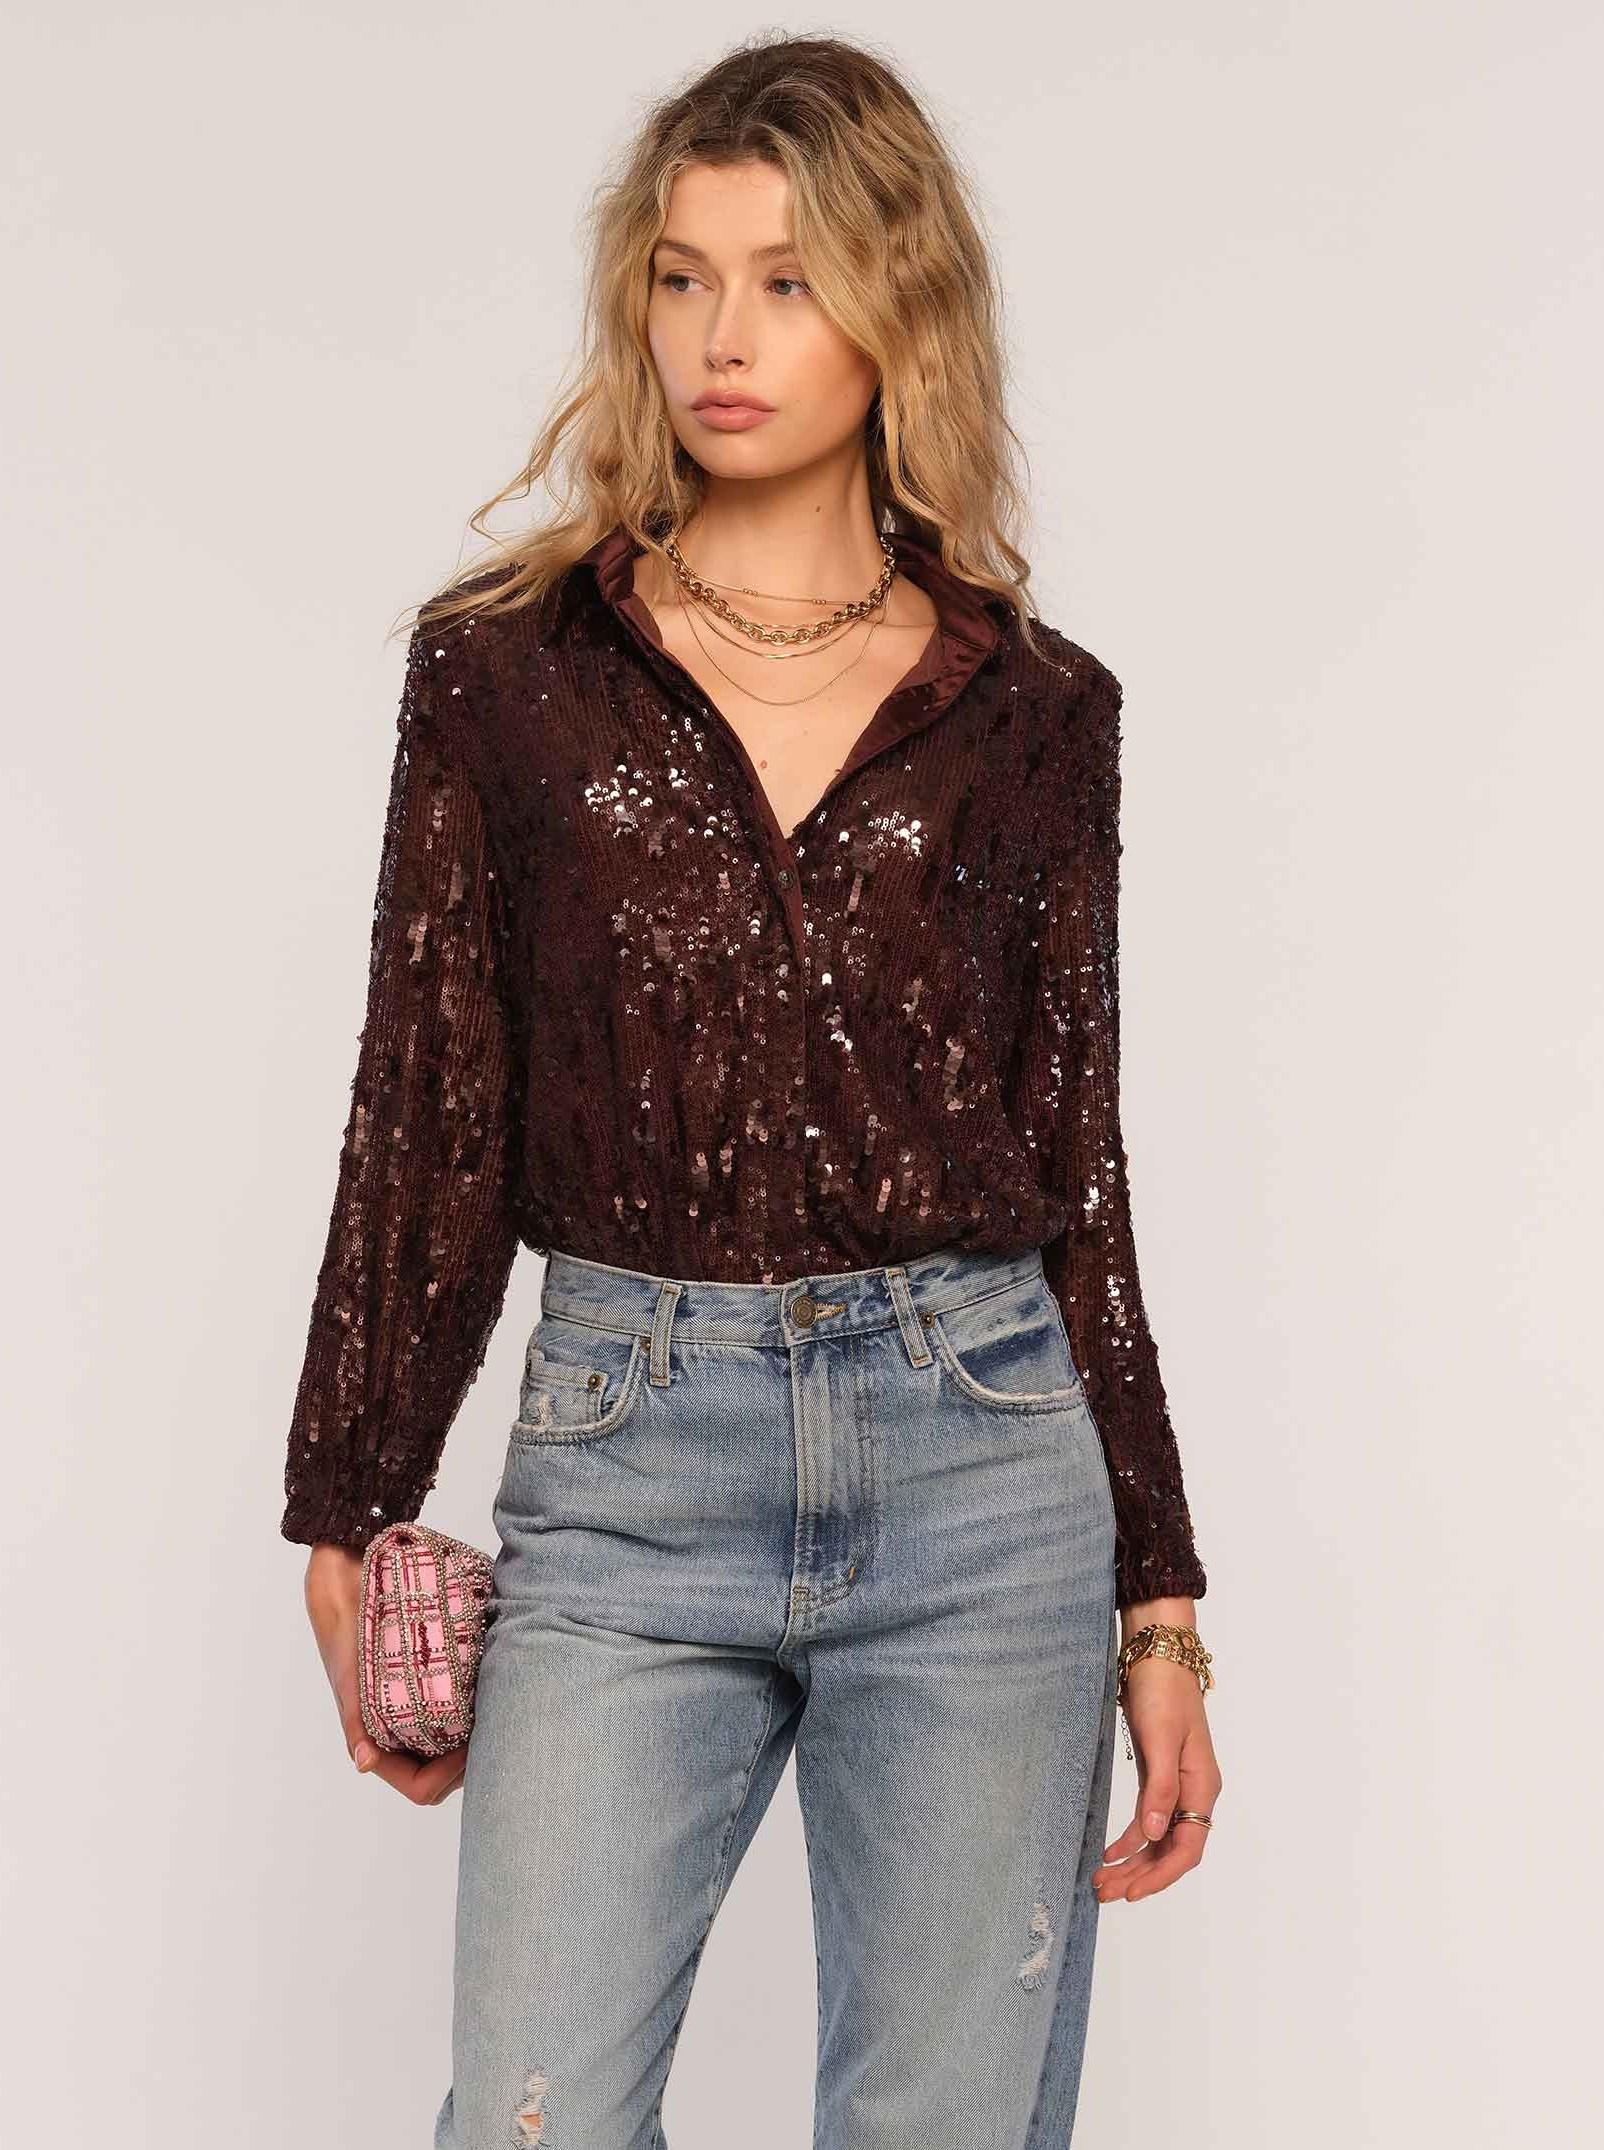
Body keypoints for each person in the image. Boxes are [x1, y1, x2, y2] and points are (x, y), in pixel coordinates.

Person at [282, 32, 1221, 2150]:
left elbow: (1076, 1160)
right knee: (529, 2113)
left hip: (981, 1454)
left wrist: (1162, 1607)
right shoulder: (506, 677)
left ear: (897, 310)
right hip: (630, 1452)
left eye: (789, 282)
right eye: (683, 277)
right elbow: (428, 1094)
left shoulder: (1036, 712)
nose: (723, 336)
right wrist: (349, 1484)